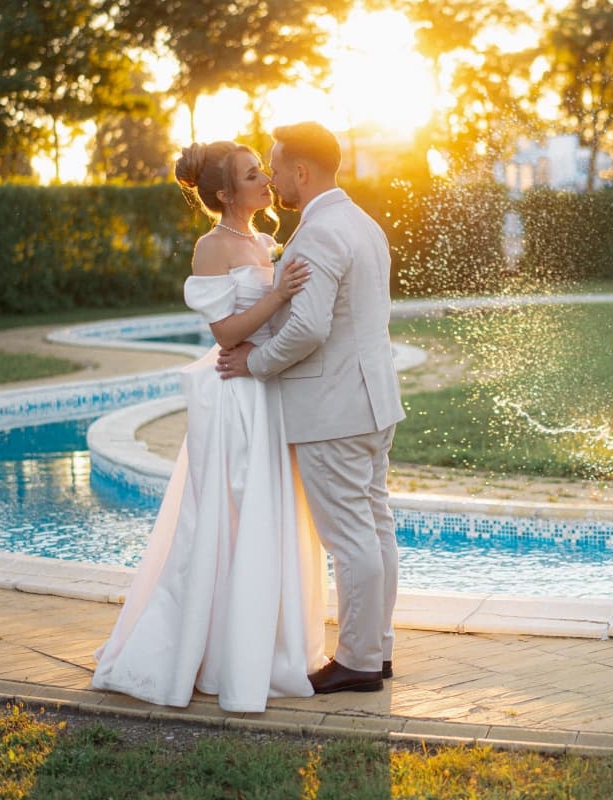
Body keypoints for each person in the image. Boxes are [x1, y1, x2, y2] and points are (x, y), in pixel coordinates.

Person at [91, 140, 325, 712]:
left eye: (262, 172)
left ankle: (266, 644)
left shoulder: (263, 241)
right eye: (252, 176)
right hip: (235, 397)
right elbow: (225, 333)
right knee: (230, 514)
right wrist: (277, 295)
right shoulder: (211, 246)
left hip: (267, 390)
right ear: (225, 193)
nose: (266, 181)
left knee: (270, 515)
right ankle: (215, 650)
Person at [217, 122, 405, 694]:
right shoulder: (363, 223)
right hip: (373, 403)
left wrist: (254, 362)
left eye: (276, 167)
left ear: (302, 171)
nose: (273, 178)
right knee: (375, 530)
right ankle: (378, 648)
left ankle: (357, 662)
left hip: (333, 410)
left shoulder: (320, 232)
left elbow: (307, 328)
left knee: (351, 538)